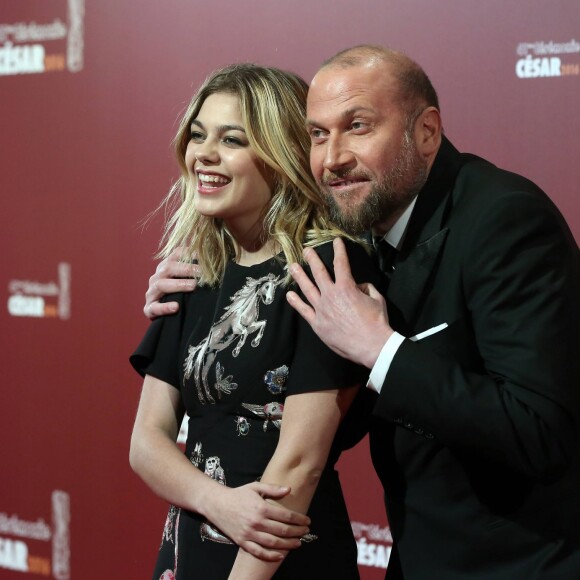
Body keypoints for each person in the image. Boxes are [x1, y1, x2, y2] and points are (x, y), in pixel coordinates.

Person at [145, 46, 580, 579]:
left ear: (426, 132)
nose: (333, 158)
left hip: (519, 564)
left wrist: (381, 350)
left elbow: (542, 432)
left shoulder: (503, 219)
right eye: (319, 135)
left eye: (358, 127)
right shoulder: (356, 242)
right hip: (419, 556)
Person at [130, 63, 382, 580]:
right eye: (198, 135)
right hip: (190, 549)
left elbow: (299, 466)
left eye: (232, 139)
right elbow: (146, 442)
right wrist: (218, 502)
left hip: (279, 557)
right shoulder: (195, 271)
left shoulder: (326, 270)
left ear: (279, 156)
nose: (204, 153)